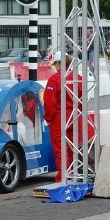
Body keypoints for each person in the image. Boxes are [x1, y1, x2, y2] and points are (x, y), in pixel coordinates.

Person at [43, 51, 83, 183]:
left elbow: (49, 103)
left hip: (59, 118)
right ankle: (75, 175)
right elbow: (83, 100)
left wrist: (48, 119)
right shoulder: (78, 77)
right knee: (75, 148)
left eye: (55, 64)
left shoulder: (54, 79)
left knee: (61, 150)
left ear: (59, 63)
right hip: (76, 116)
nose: (55, 67)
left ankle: (63, 179)